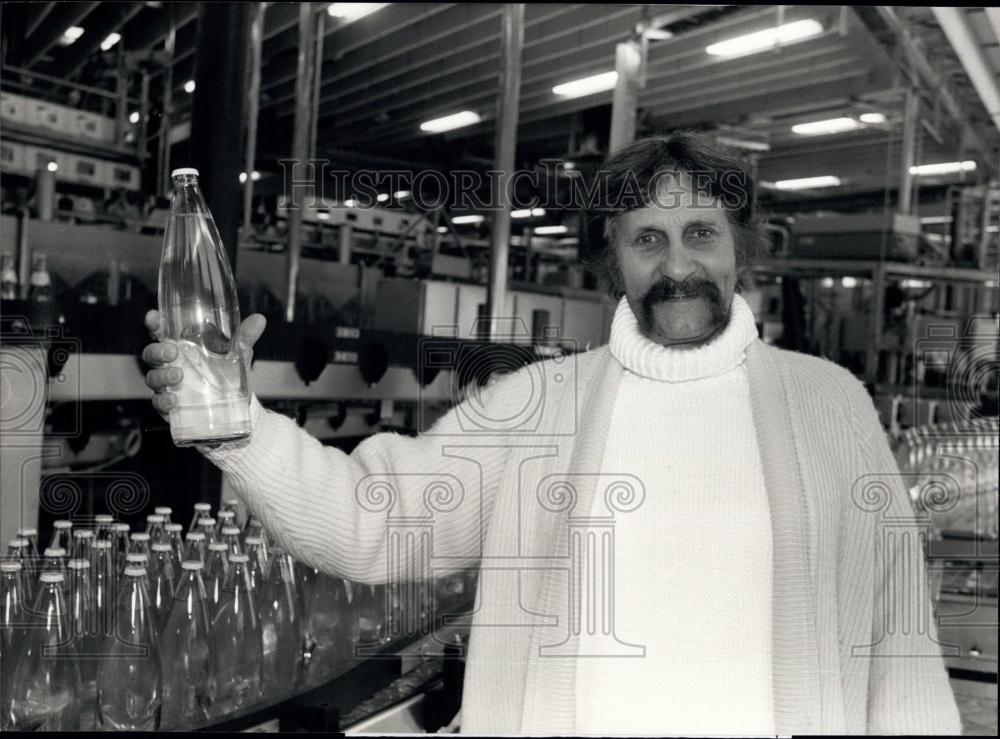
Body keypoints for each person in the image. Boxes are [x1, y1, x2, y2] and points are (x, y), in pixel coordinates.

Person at [143, 133, 961, 735]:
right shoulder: (534, 407)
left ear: (740, 250)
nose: (677, 264)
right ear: (613, 260)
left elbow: (901, 640)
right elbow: (374, 523)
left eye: (700, 234)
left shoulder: (829, 404)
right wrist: (238, 426)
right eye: (647, 238)